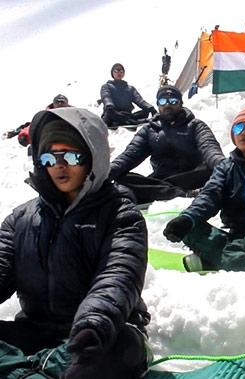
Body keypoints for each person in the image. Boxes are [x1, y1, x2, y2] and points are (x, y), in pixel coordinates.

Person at [0, 107, 150, 378]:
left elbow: (117, 278)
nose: (59, 164)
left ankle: (23, 369)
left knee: (116, 350)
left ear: (94, 158)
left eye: (70, 155)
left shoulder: (121, 215)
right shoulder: (20, 220)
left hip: (99, 333)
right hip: (36, 331)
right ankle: (36, 370)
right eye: (49, 156)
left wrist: (92, 325)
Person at [163, 106, 245, 273]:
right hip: (235, 236)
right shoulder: (225, 168)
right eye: (239, 128)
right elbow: (209, 195)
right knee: (190, 227)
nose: (244, 132)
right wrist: (187, 219)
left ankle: (215, 260)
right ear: (233, 136)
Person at [109, 85, 225, 205]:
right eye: (163, 101)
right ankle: (180, 194)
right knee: (122, 179)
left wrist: (226, 168)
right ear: (158, 105)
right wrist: (104, 174)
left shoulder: (195, 126)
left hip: (191, 176)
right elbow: (129, 156)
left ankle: (172, 194)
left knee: (210, 169)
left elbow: (210, 149)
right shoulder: (149, 130)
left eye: (173, 101)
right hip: (162, 181)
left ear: (180, 104)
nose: (167, 105)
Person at [3, 94, 71, 150]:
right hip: (49, 145)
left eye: (62, 102)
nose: (60, 103)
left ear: (67, 104)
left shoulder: (74, 115)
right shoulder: (46, 115)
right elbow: (34, 126)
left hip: (71, 144)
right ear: (53, 104)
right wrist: (24, 135)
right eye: (57, 102)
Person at [100, 63, 157, 128]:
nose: (119, 73)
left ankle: (129, 120)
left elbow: (139, 100)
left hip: (126, 114)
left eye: (121, 71)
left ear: (123, 73)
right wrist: (109, 106)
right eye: (116, 71)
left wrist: (151, 108)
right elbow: (106, 97)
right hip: (112, 114)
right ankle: (132, 121)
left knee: (146, 111)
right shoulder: (106, 86)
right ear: (112, 73)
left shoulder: (130, 89)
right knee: (110, 112)